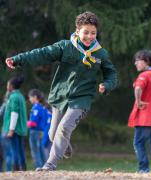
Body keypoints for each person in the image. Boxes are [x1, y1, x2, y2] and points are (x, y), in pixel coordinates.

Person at [5, 11, 117, 171]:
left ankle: (49, 165)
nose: (90, 36)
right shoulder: (65, 46)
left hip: (81, 100)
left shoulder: (100, 54)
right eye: (86, 32)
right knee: (52, 134)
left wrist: (107, 85)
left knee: (63, 128)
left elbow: (111, 73)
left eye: (93, 33)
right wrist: (18, 59)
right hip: (60, 97)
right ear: (78, 31)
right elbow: (42, 54)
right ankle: (65, 146)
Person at [2, 76, 27, 171]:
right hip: (20, 128)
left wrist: (11, 129)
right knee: (20, 150)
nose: (7, 86)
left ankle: (15, 169)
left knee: (14, 150)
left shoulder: (13, 97)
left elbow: (14, 112)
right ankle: (23, 168)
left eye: (8, 84)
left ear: (11, 86)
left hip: (14, 129)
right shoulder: (20, 96)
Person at [27, 89, 47, 169]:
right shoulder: (42, 107)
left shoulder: (35, 108)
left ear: (35, 97)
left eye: (30, 97)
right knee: (41, 150)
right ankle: (45, 166)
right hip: (41, 131)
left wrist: (26, 123)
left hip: (35, 131)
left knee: (35, 150)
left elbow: (33, 123)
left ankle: (38, 167)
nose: (29, 99)